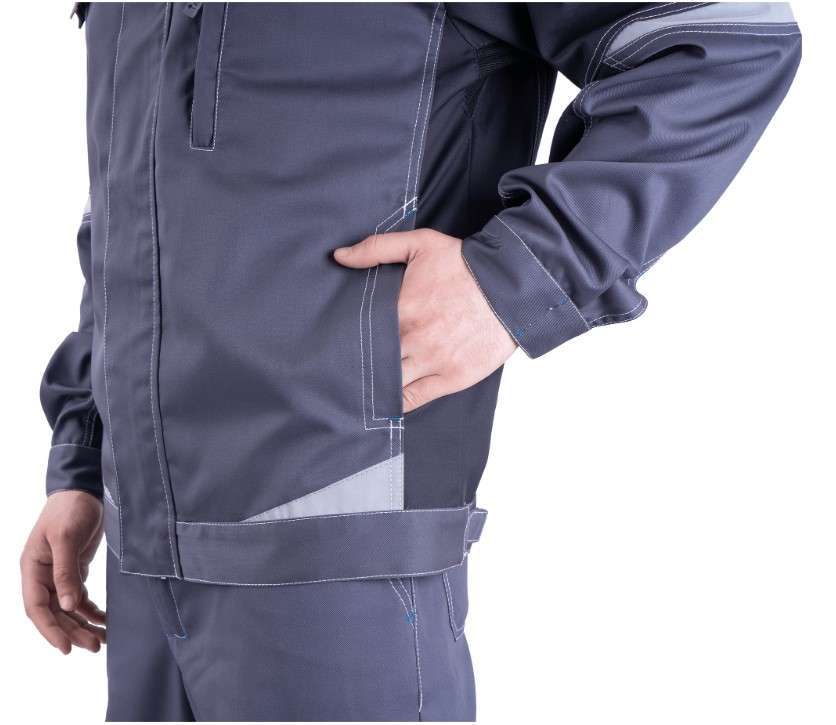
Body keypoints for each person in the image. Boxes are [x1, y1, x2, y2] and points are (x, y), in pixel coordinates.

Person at [21, 2, 801, 721]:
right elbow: (129, 210)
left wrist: (517, 276)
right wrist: (85, 460)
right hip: (139, 573)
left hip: (339, 566)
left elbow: (724, 40)